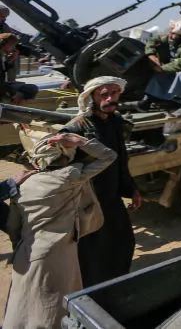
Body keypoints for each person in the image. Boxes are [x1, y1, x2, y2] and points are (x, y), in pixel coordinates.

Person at [4, 133, 115, 329]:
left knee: (23, 308)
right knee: (54, 311)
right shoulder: (71, 177)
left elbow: (13, 227)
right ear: (64, 157)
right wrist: (80, 141)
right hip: (57, 257)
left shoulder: (20, 186)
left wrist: (21, 248)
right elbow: (109, 156)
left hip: (26, 254)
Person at [60, 76, 141, 287]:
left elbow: (121, 159)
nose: (110, 98)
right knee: (91, 251)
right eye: (104, 94)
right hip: (88, 199)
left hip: (111, 196)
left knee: (123, 242)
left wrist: (132, 188)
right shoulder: (77, 127)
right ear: (92, 98)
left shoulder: (115, 122)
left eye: (114, 93)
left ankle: (115, 285)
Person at [142, 19, 181, 117]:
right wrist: (151, 54)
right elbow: (152, 40)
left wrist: (162, 68)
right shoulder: (172, 37)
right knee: (159, 75)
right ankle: (149, 99)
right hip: (174, 69)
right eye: (171, 33)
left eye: (175, 34)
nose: (171, 36)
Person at [1, 33, 38, 102]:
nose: (13, 48)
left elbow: (3, 69)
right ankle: (11, 100)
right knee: (31, 88)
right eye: (12, 45)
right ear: (6, 44)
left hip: (2, 85)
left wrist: (12, 59)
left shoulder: (2, 54)